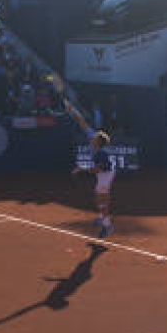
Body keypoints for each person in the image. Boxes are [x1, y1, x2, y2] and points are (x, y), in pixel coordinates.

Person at [65, 96, 116, 238]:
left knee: (102, 199)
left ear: (98, 143)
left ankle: (108, 225)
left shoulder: (101, 153)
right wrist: (71, 110)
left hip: (106, 174)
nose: (91, 138)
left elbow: (96, 170)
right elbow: (82, 122)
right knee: (99, 197)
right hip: (103, 171)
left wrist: (81, 168)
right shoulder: (94, 138)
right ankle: (101, 216)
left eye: (94, 138)